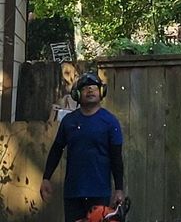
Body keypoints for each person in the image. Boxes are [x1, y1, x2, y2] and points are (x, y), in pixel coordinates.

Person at [40, 71, 125, 222]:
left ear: (101, 92)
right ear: (77, 94)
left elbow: (116, 157)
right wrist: (46, 178)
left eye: (94, 87)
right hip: (73, 191)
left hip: (99, 192)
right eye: (85, 88)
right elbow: (56, 150)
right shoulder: (69, 121)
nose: (90, 90)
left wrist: (119, 189)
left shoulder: (111, 122)